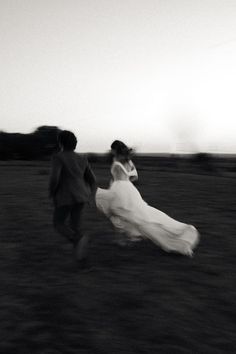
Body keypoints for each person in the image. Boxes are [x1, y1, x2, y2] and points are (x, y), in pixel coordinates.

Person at [95, 140, 199, 256]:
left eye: (112, 149)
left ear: (115, 150)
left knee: (120, 213)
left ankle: (124, 239)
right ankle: (124, 238)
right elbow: (135, 177)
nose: (111, 151)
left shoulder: (116, 161)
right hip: (129, 189)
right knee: (131, 214)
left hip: (119, 191)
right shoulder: (128, 161)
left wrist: (118, 182)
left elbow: (121, 177)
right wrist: (125, 181)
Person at [49, 130, 97, 267]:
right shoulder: (82, 158)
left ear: (60, 143)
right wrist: (91, 196)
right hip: (81, 196)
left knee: (58, 223)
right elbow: (92, 180)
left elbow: (55, 178)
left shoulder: (58, 157)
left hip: (65, 196)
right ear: (75, 143)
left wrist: (52, 193)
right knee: (75, 226)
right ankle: (82, 261)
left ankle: (78, 239)